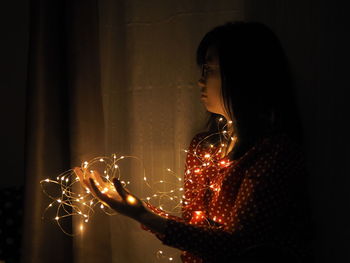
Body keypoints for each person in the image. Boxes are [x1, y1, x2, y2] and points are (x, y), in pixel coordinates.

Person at [75, 21, 314, 263]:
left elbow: (238, 244)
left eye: (210, 70)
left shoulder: (273, 154)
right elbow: (194, 227)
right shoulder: (204, 148)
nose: (200, 81)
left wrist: (143, 215)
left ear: (243, 76)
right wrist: (137, 210)